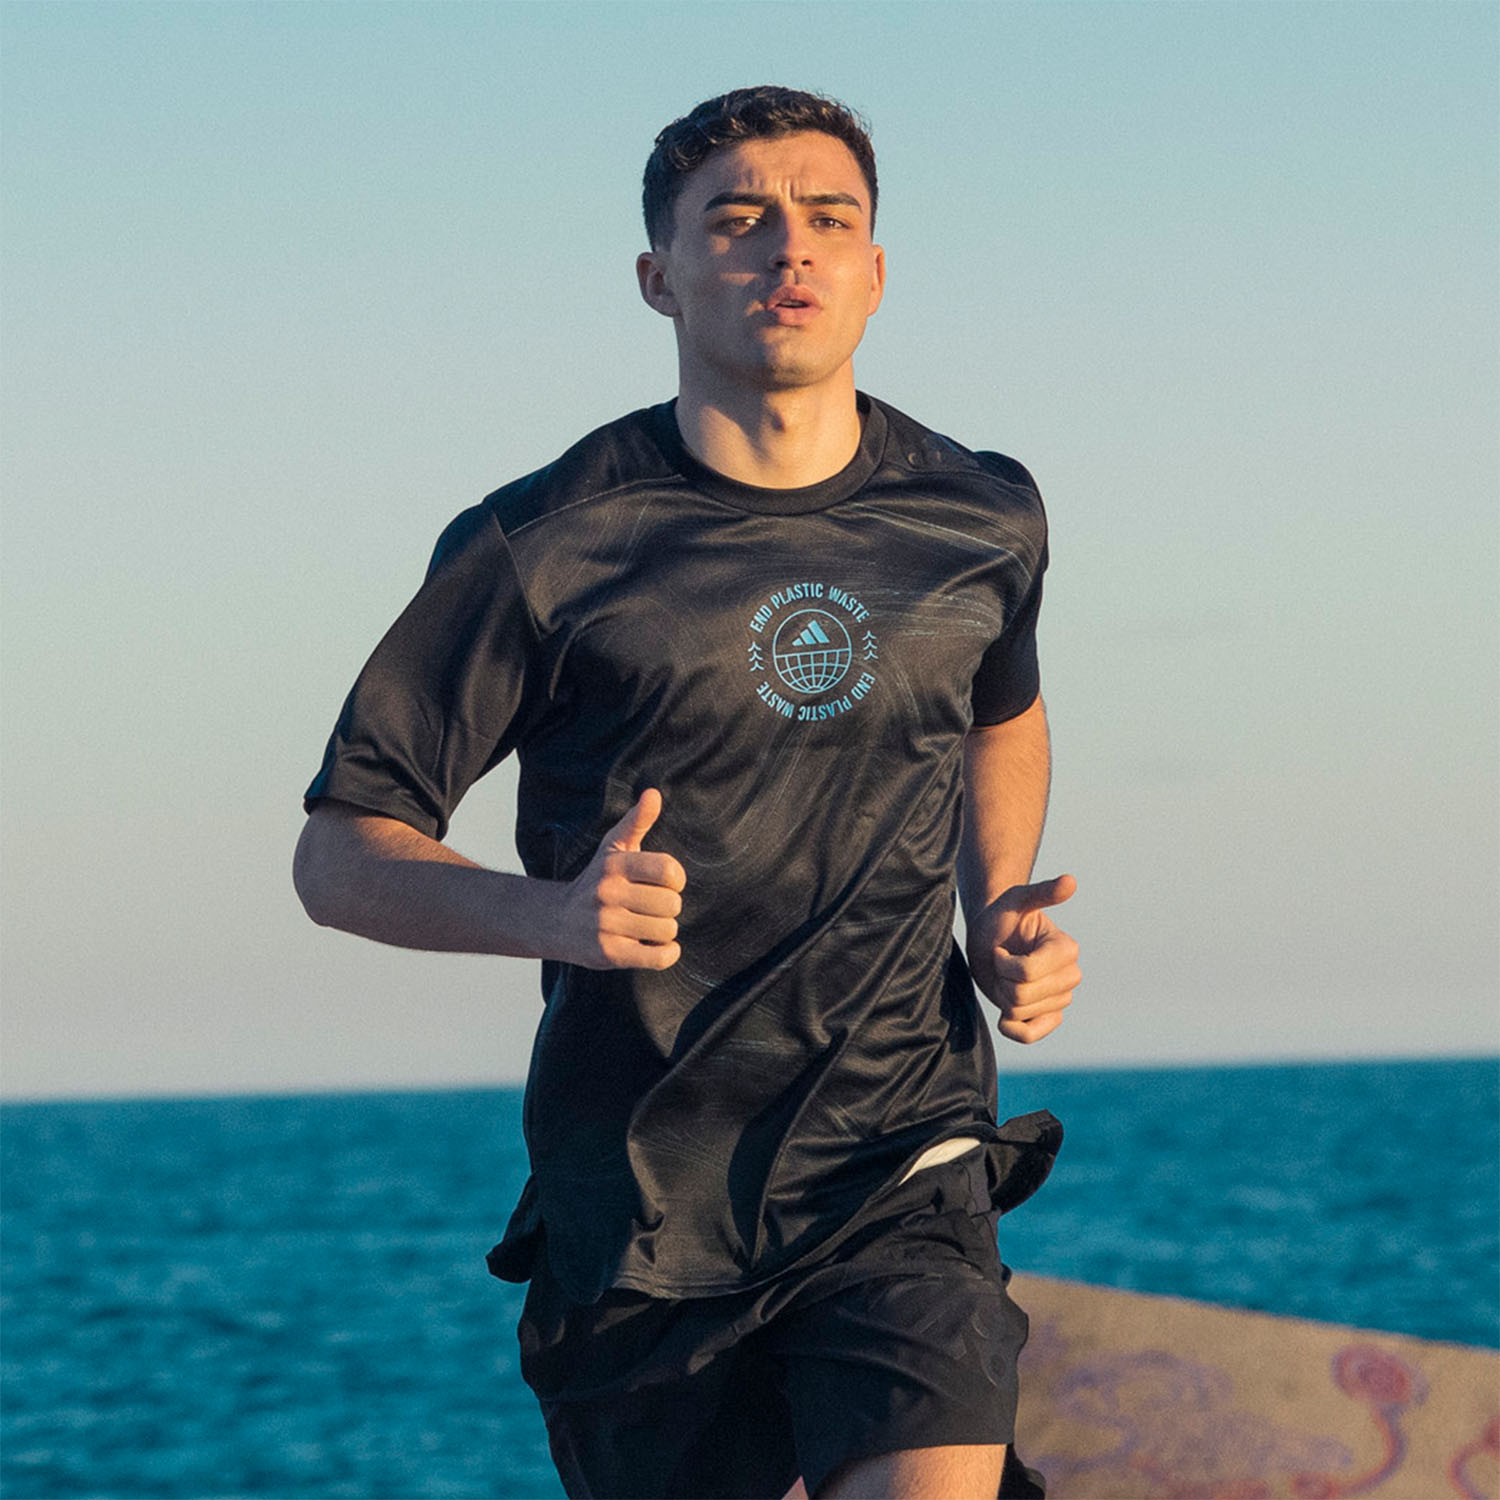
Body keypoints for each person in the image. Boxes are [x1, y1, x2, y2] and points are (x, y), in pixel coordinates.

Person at [294, 86, 1080, 1500]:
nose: (790, 247)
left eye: (828, 218)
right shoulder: (543, 544)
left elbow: (1000, 717)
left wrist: (996, 900)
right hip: (642, 1202)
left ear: (876, 271)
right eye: (739, 219)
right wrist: (552, 916)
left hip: (899, 1154)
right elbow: (341, 855)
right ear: (659, 275)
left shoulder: (980, 516)